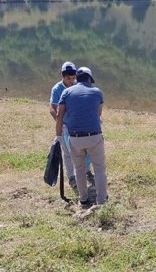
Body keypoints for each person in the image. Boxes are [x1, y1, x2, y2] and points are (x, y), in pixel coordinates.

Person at [55, 67, 108, 208]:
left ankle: (83, 199)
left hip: (74, 137)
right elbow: (98, 113)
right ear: (90, 79)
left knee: (79, 169)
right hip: (94, 136)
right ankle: (102, 200)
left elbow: (59, 115)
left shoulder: (66, 92)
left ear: (77, 79)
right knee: (99, 169)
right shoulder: (97, 92)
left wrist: (59, 136)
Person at [49, 61, 92, 191]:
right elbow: (52, 108)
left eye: (73, 78)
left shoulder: (77, 86)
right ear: (63, 76)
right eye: (68, 78)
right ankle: (71, 177)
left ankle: (87, 171)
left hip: (78, 124)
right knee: (67, 153)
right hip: (64, 125)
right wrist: (60, 122)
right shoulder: (57, 89)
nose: (71, 81)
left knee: (86, 149)